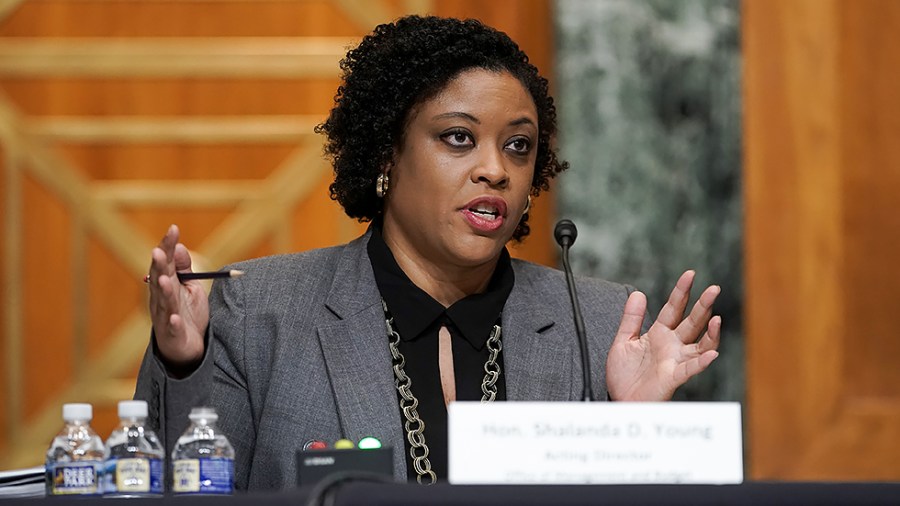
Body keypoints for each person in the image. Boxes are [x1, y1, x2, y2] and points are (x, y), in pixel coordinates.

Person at [135, 15, 721, 489]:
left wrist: (634, 425)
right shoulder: (263, 310)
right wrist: (183, 364)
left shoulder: (596, 325)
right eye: (458, 138)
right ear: (387, 154)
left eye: (519, 146)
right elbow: (173, 489)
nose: (495, 169)